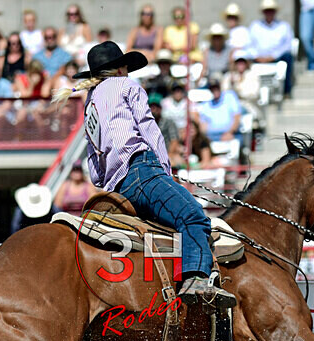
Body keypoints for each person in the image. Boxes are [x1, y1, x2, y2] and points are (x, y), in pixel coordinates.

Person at [52, 40, 236, 308]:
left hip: (117, 189)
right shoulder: (128, 86)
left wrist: (110, 177)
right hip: (143, 170)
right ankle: (195, 280)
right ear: (119, 69)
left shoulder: (90, 102)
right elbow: (149, 129)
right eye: (125, 67)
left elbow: (95, 165)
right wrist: (164, 171)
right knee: (193, 216)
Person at [249, 0, 294, 96]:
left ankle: (286, 91)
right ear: (263, 12)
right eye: (267, 10)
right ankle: (252, 91)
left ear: (275, 12)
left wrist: (273, 56)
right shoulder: (255, 26)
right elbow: (249, 45)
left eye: (271, 10)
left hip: (277, 58)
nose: (269, 13)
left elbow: (287, 45)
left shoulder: (284, 26)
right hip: (257, 58)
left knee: (287, 57)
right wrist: (256, 56)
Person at [193, 78, 243, 142]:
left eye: (216, 88)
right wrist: (204, 137)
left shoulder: (230, 96)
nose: (215, 90)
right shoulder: (206, 104)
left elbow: (237, 117)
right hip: (211, 137)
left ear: (220, 87)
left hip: (231, 134)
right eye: (212, 89)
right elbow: (203, 124)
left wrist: (230, 132)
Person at [149, 92, 181, 157]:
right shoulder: (145, 124)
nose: (154, 110)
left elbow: (174, 140)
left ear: (160, 108)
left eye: (156, 107)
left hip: (167, 154)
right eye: (151, 107)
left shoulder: (169, 122)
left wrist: (168, 156)